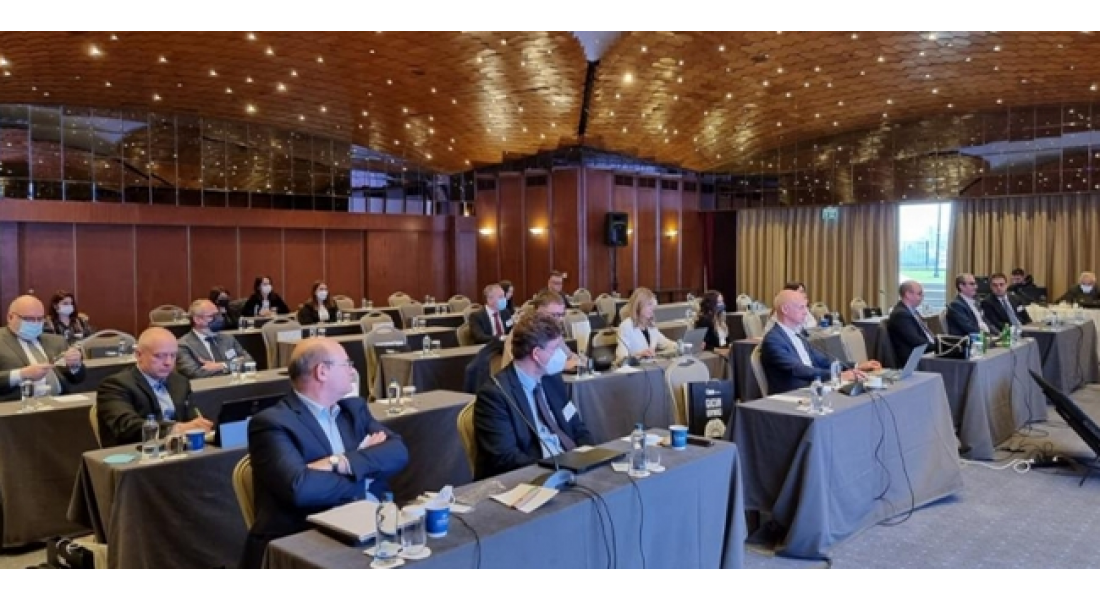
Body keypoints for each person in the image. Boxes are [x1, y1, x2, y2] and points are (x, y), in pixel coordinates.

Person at [243, 337, 409, 568]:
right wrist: (363, 474)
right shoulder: (272, 423)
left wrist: (338, 462)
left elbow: (398, 452)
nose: (353, 371)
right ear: (322, 372)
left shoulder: (353, 410)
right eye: (347, 364)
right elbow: (301, 489)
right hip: (305, 537)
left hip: (369, 524)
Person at [474, 311, 593, 480]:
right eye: (555, 349)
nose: (562, 355)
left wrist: (590, 457)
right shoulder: (494, 395)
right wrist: (557, 468)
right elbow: (505, 458)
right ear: (536, 354)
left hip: (572, 468)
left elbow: (577, 427)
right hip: (533, 476)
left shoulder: (552, 380)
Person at [96, 327, 212, 447]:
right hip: (136, 450)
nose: (168, 362)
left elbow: (191, 420)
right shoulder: (115, 385)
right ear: (138, 355)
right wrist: (174, 429)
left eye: (173, 355)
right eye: (159, 356)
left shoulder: (180, 382)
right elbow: (127, 427)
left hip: (178, 448)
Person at [759, 289, 878, 395]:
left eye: (806, 307)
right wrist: (837, 375)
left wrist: (855, 366)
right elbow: (799, 370)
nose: (806, 312)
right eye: (801, 307)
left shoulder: (799, 334)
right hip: (792, 395)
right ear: (785, 309)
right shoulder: (773, 340)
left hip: (814, 388)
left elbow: (823, 361)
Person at [0, 295, 85, 401]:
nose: (35, 323)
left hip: (60, 401)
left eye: (40, 319)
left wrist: (75, 365)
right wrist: (21, 374)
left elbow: (78, 379)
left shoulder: (56, 341)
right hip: (19, 405)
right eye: (29, 319)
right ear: (10, 317)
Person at [176, 299, 254, 379]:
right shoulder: (183, 345)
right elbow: (195, 373)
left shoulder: (228, 339)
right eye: (212, 316)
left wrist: (222, 366)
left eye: (218, 315)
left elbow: (249, 361)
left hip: (233, 384)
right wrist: (234, 365)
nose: (218, 319)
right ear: (197, 320)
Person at [886, 281, 937, 365]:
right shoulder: (901, 315)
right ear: (908, 294)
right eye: (919, 294)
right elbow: (916, 341)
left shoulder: (911, 311)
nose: (922, 297)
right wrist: (940, 347)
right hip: (913, 359)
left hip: (922, 353)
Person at [616, 287, 671, 360]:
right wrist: (640, 354)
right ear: (638, 306)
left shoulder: (650, 325)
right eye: (649, 304)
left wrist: (680, 345)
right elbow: (622, 357)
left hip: (650, 365)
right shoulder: (626, 326)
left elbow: (666, 343)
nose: (652, 308)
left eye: (653, 305)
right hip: (635, 366)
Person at [695, 290, 730, 355]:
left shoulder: (721, 319)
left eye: (722, 301)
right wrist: (718, 350)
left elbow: (725, 341)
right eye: (719, 302)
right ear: (711, 304)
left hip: (725, 351)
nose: (722, 304)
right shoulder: (704, 321)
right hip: (714, 353)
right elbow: (702, 344)